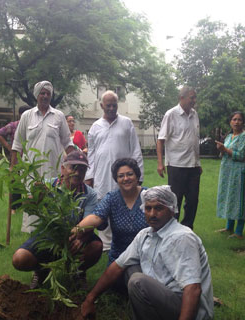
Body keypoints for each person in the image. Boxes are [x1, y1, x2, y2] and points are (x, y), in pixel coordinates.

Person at [81, 185, 214, 320]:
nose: (152, 214)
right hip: (166, 296)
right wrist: (90, 299)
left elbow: (193, 289)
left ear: (172, 210)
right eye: (148, 208)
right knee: (130, 268)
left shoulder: (182, 238)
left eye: (158, 208)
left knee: (137, 281)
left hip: (187, 307)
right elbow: (117, 265)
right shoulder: (145, 235)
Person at [12, 150, 102, 288]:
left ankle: (79, 272)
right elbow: (27, 207)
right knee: (20, 259)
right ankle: (41, 270)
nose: (78, 173)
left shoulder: (90, 194)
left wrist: (81, 238)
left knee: (96, 246)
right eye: (74, 168)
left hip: (75, 235)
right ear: (63, 169)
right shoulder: (47, 185)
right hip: (49, 235)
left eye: (82, 170)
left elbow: (90, 221)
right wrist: (36, 199)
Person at [11, 80, 74, 232]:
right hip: (31, 171)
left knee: (53, 204)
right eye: (42, 93)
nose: (45, 96)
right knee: (33, 205)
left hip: (53, 170)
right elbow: (17, 144)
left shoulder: (58, 116)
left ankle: (53, 238)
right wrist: (13, 167)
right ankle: (32, 241)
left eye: (48, 93)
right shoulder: (27, 116)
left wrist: (74, 166)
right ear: (36, 95)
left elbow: (67, 143)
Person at [85, 90, 144, 251]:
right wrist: (89, 176)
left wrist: (139, 175)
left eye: (114, 105)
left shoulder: (126, 123)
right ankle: (105, 244)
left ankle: (125, 241)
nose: (111, 108)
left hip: (124, 176)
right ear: (102, 105)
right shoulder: (95, 126)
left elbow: (135, 149)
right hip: (102, 175)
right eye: (108, 105)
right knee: (103, 206)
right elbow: (91, 153)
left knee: (124, 206)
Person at [73, 158, 148, 271]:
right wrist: (74, 231)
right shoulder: (112, 198)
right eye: (121, 176)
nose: (126, 178)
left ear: (137, 176)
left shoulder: (149, 196)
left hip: (146, 255)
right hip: (120, 257)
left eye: (130, 174)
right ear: (116, 179)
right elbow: (96, 217)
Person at [157, 86, 201, 229]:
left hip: (193, 166)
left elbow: (194, 140)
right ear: (181, 98)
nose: (194, 101)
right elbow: (161, 140)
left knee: (193, 200)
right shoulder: (171, 114)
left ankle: (187, 228)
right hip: (176, 165)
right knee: (175, 200)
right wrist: (160, 163)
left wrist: (198, 163)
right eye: (191, 98)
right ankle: (172, 229)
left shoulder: (194, 114)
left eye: (194, 98)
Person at [0, 105, 30, 213]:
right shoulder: (14, 125)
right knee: (16, 183)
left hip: (30, 158)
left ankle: (29, 206)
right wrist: (8, 146)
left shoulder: (33, 126)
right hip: (17, 159)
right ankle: (14, 207)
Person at [216, 111, 245, 239]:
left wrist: (225, 150)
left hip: (239, 173)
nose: (236, 122)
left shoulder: (244, 137)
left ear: (243, 122)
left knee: (240, 200)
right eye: (234, 119)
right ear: (230, 122)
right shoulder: (229, 136)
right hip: (227, 173)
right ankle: (229, 227)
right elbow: (224, 154)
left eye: (239, 119)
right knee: (229, 198)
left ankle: (238, 232)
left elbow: (241, 156)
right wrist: (221, 150)